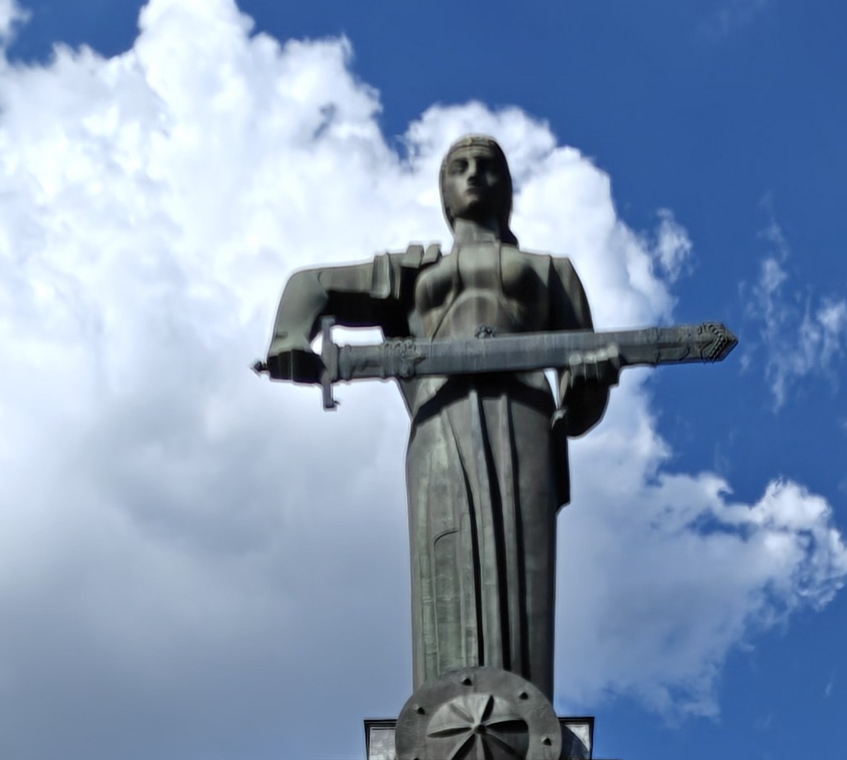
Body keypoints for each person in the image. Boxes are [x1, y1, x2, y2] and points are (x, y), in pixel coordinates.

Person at [262, 132, 617, 703]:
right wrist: (289, 339)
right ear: (444, 192)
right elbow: (312, 285)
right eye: (460, 167)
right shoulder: (413, 271)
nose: (474, 174)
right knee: (446, 554)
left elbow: (579, 407)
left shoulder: (552, 271)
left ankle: (524, 711)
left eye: (488, 167)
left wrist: (590, 385)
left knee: (523, 562)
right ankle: (443, 712)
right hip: (439, 417)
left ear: (508, 188)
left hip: (524, 415)